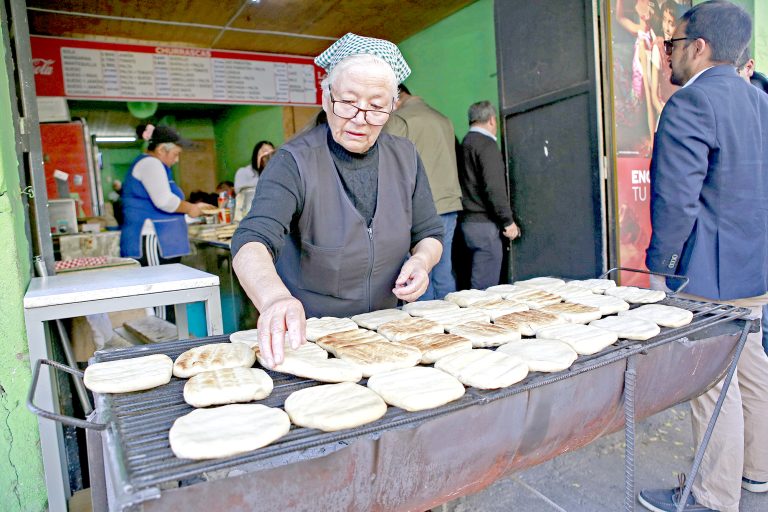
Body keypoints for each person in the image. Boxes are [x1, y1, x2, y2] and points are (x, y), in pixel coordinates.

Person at [231, 33, 443, 368]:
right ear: (326, 97)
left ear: (392, 107)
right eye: (348, 102)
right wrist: (274, 299)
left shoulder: (406, 157)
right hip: (314, 340)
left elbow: (430, 232)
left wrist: (421, 262)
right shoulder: (293, 161)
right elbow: (252, 240)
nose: (360, 118)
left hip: (386, 332)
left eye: (376, 106)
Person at [639, 2, 768, 511]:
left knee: (712, 382)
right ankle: (757, 472)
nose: (667, 56)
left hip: (707, 277)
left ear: (699, 47)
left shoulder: (691, 103)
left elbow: (676, 197)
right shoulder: (760, 102)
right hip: (756, 269)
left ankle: (712, 496)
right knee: (752, 367)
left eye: (672, 45)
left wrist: (660, 270)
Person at [383, 83, 463, 300]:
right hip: (449, 203)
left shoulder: (399, 119)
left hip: (419, 209)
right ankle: (451, 325)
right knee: (443, 271)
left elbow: (387, 164)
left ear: (395, 98)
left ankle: (426, 331)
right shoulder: (443, 119)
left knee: (418, 273)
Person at [120, 124, 203, 319]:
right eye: (175, 154)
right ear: (160, 149)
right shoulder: (151, 164)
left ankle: (171, 341)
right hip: (152, 239)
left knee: (167, 299)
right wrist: (190, 208)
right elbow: (164, 201)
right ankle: (163, 345)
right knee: (160, 300)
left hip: (161, 239)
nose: (176, 160)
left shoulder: (158, 166)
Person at [458, 101, 519, 290]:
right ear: (492, 120)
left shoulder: (464, 144)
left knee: (473, 282)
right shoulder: (486, 145)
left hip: (467, 223)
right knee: (484, 290)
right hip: (484, 226)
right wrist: (508, 221)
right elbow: (494, 187)